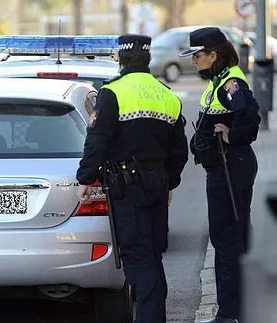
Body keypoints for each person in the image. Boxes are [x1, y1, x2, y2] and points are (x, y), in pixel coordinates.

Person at [76, 34, 189, 323]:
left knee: (139, 260)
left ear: (121, 58)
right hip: (156, 184)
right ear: (148, 59)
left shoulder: (113, 92)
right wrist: (169, 182)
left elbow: (98, 138)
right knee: (152, 256)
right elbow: (180, 150)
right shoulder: (166, 94)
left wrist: (85, 178)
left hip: (129, 188)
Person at [179, 27, 260, 323]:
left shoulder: (231, 83)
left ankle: (229, 313)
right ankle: (237, 308)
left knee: (227, 243)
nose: (194, 62)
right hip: (223, 168)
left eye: (197, 56)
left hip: (230, 168)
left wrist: (231, 135)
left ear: (214, 55)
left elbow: (250, 119)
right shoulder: (219, 81)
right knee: (230, 239)